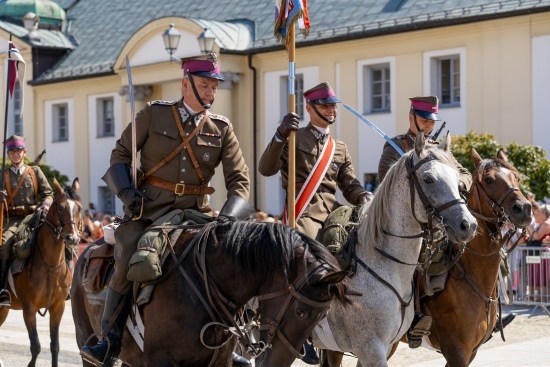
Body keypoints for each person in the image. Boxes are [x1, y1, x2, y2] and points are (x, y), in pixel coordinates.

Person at [80, 53, 252, 367]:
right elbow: (120, 154)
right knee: (129, 250)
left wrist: (228, 221)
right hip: (148, 212)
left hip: (196, 215)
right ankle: (110, 338)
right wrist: (127, 192)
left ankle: (231, 340)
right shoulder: (154, 115)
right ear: (186, 84)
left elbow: (240, 180)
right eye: (205, 85)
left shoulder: (221, 128)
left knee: (230, 261)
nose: (211, 92)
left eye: (214, 86)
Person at [258, 82, 372, 364]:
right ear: (309, 108)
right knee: (303, 262)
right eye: (324, 105)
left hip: (333, 213)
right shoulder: (295, 139)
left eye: (333, 105)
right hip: (303, 212)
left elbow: (349, 185)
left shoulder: (339, 148)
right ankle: (303, 333)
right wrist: (279, 135)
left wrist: (365, 196)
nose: (331, 110)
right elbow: (266, 168)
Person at [0, 135, 54, 306]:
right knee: (3, 244)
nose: (15, 154)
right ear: (8, 154)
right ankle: (2, 290)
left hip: (33, 217)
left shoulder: (35, 172)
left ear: (25, 152)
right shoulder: (2, 174)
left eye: (18, 151)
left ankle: (63, 284)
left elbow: (49, 193)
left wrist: (46, 204)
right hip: (11, 220)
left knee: (58, 237)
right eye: (12, 151)